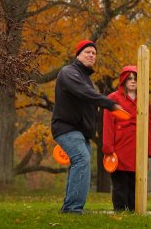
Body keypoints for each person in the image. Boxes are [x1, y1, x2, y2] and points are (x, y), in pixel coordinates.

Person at [51, 39, 122, 214]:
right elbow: (85, 93)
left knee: (80, 164)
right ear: (78, 55)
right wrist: (109, 104)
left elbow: (88, 103)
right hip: (66, 128)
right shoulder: (69, 72)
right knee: (82, 160)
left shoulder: (86, 79)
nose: (91, 55)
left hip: (82, 133)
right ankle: (73, 209)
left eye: (94, 53)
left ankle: (70, 207)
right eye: (87, 52)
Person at [102, 65, 151, 212]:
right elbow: (108, 124)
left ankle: (134, 211)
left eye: (135, 79)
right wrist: (108, 148)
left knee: (136, 182)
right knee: (120, 183)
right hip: (119, 146)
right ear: (123, 80)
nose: (133, 81)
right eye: (130, 79)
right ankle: (119, 210)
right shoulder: (113, 99)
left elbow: (150, 124)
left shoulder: (144, 99)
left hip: (137, 147)